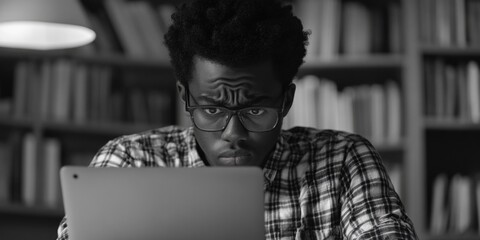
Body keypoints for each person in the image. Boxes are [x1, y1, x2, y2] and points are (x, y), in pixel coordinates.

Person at [57, 0, 418, 239]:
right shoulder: (131, 161)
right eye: (213, 109)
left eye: (255, 110)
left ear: (286, 101)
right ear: (186, 98)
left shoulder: (342, 160)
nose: (233, 134)